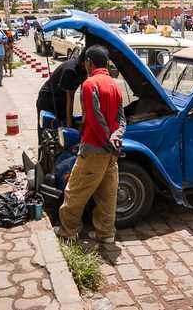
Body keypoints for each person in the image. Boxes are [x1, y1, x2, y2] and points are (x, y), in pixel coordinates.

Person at [54, 45, 126, 243]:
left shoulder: (89, 84)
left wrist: (107, 141)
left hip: (95, 149)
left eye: (85, 61)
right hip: (111, 152)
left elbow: (95, 118)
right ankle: (106, 234)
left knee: (75, 192)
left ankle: (68, 231)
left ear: (89, 62)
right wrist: (115, 137)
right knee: (107, 196)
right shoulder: (114, 84)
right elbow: (121, 119)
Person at [36, 53, 87, 130]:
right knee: (47, 129)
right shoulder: (70, 70)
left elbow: (83, 95)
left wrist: (84, 117)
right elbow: (70, 99)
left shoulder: (84, 70)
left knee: (63, 126)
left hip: (62, 98)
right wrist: (69, 128)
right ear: (85, 62)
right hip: (48, 98)